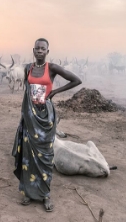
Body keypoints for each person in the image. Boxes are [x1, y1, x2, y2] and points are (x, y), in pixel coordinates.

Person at [11, 38, 82, 212]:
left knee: (45, 156)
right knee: (28, 154)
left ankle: (45, 194)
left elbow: (76, 80)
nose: (40, 51)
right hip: (29, 116)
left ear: (47, 51)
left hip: (45, 117)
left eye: (43, 48)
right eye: (37, 48)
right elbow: (27, 91)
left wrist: (55, 92)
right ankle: (28, 192)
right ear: (33, 50)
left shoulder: (53, 68)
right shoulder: (29, 68)